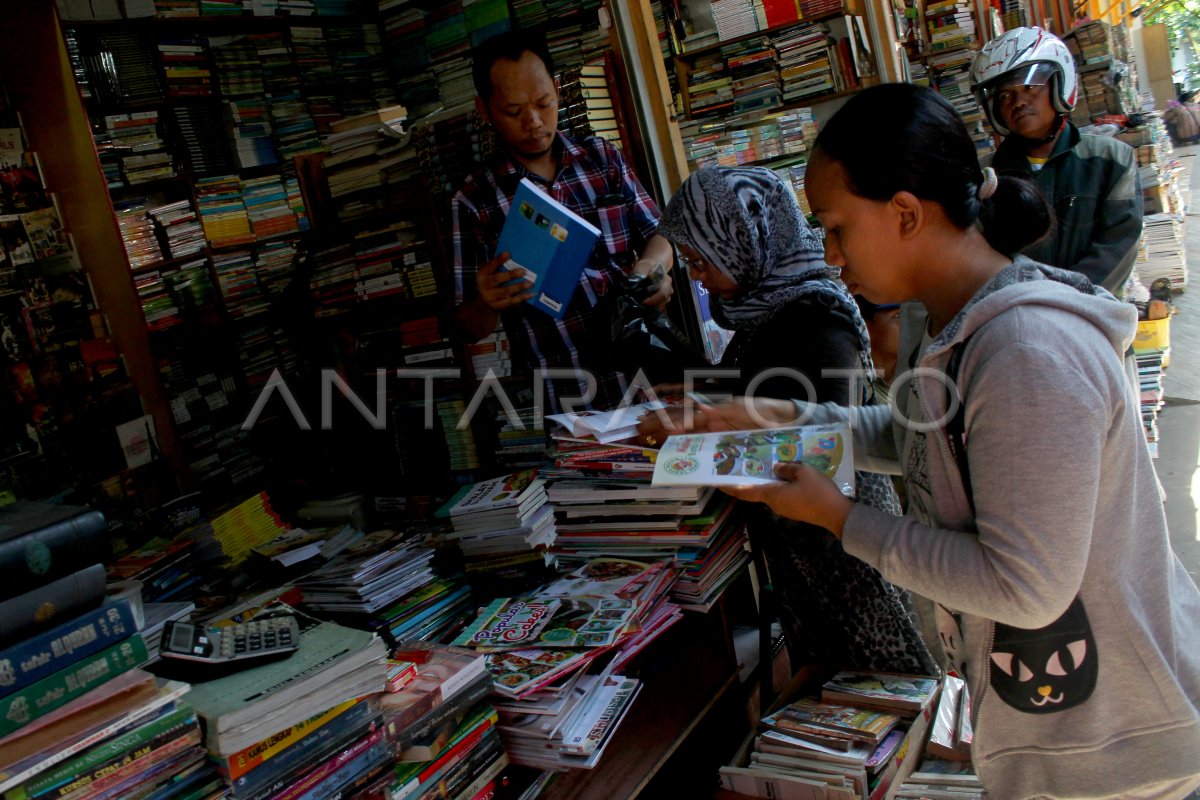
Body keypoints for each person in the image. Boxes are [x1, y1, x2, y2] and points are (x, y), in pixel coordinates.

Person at [640, 83, 1200, 799]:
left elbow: (1023, 588)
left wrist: (840, 519)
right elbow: (910, 438)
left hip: (1118, 749)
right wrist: (771, 417)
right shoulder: (949, 327)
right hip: (1058, 733)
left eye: (837, 228)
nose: (830, 254)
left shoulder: (1024, 352)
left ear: (905, 213)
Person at [654, 166, 934, 676]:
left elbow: (824, 447)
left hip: (843, 553)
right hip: (807, 545)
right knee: (831, 685)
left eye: (700, 260)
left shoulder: (816, 320)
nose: (696, 275)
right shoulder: (764, 309)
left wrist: (693, 452)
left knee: (882, 682)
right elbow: (766, 389)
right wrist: (707, 393)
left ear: (743, 239)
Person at [450, 30, 676, 412]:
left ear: (557, 89)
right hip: (570, 401)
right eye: (512, 111)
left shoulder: (601, 158)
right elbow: (468, 328)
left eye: (544, 102)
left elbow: (663, 235)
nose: (534, 122)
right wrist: (486, 302)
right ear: (484, 110)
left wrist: (652, 269)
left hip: (653, 379)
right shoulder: (474, 201)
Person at [970, 26, 1142, 295]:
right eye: (1004, 95)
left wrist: (1064, 300)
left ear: (1060, 84)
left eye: (1029, 87)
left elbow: (1119, 243)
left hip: (1094, 317)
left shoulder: (1113, 160)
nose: (1018, 102)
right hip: (1016, 319)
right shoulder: (985, 176)